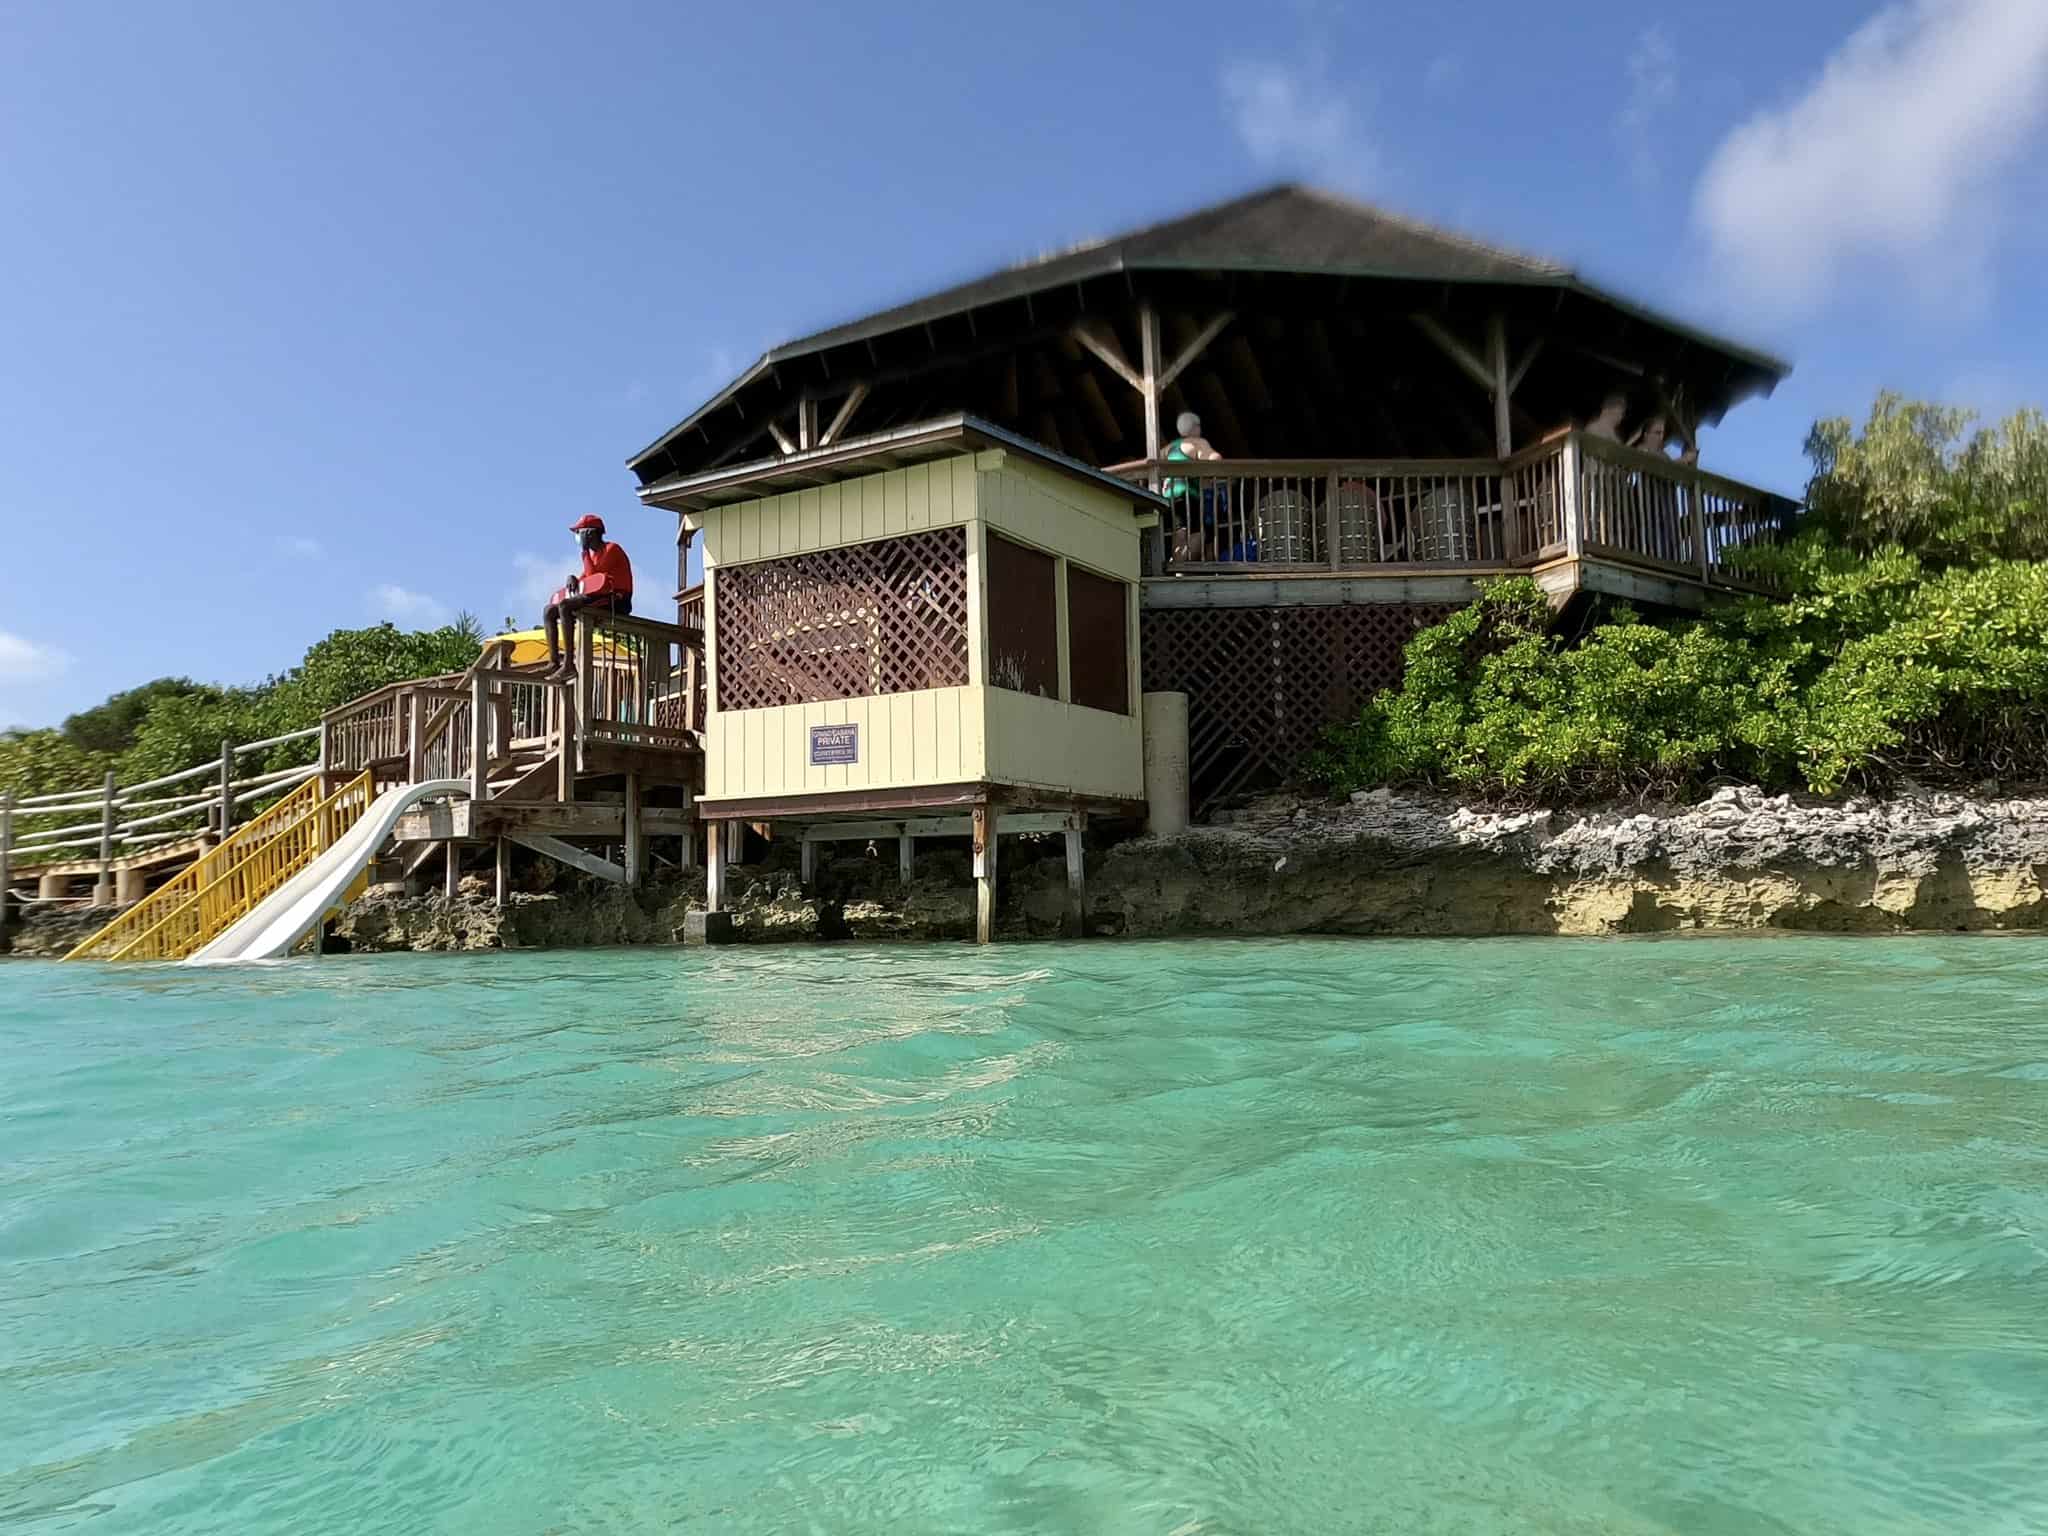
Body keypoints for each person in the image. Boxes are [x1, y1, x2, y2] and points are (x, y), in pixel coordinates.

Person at [544, 514, 634, 677]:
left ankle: (569, 663)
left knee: (565, 605)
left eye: (579, 532)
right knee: (549, 611)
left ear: (590, 533)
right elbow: (586, 580)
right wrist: (573, 578)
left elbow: (594, 578)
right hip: (599, 595)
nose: (577, 537)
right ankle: (553, 661)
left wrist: (584, 551)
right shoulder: (593, 556)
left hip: (616, 599)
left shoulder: (612, 549)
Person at [1163, 412, 1230, 561]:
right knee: (1199, 532)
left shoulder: (1170, 447)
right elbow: (1214, 459)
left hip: (1169, 496)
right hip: (1188, 494)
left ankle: (1176, 563)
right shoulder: (1196, 443)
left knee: (1180, 531)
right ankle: (1181, 565)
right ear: (1194, 427)